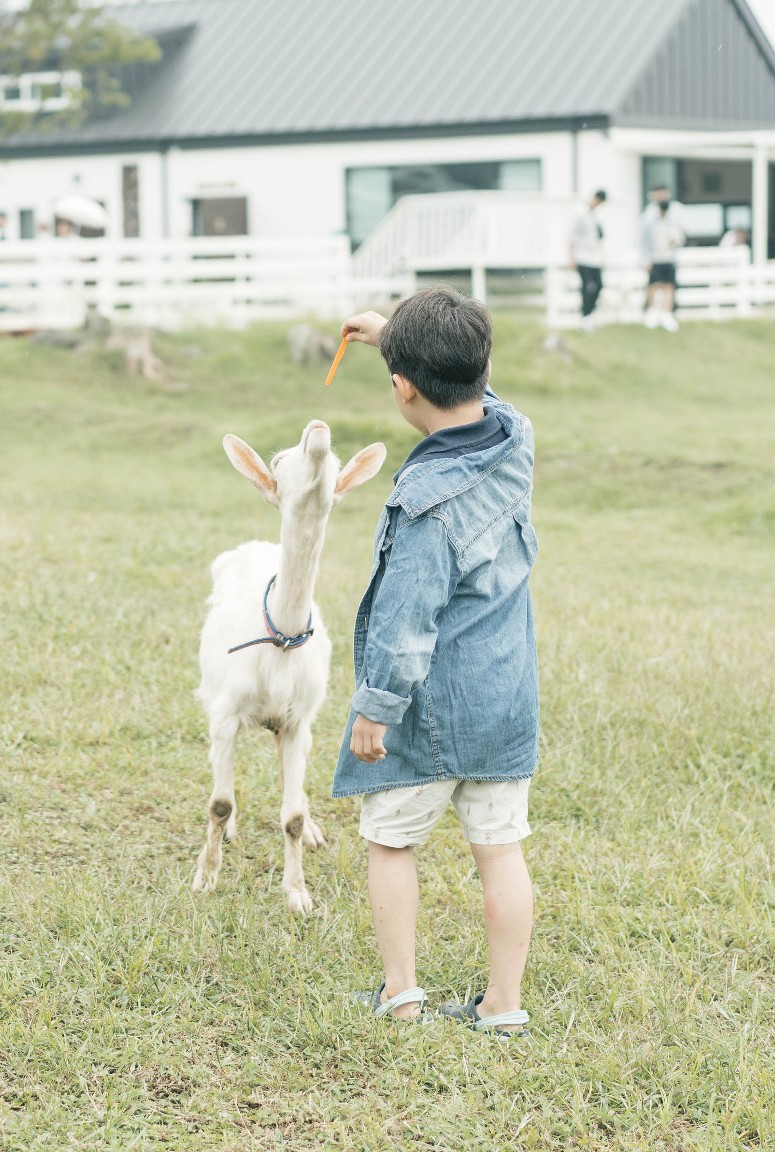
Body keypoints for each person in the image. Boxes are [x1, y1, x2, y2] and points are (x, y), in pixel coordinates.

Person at [334, 287, 539, 1037]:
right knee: (500, 851)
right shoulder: (515, 440)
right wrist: (399, 338)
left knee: (392, 843)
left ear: (403, 389)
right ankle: (503, 1005)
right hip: (506, 699)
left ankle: (403, 992)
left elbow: (405, 619)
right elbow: (483, 395)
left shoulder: (422, 501)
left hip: (425, 714)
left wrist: (374, 707)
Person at [638, 184, 685, 331]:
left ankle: (666, 313)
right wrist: (644, 259)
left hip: (669, 257)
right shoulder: (649, 217)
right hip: (655, 257)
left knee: (669, 285)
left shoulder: (673, 217)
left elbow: (680, 237)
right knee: (654, 285)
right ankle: (651, 312)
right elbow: (643, 240)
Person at [567, 189, 607, 332]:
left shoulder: (595, 216)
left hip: (595, 258)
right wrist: (571, 258)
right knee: (588, 287)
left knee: (599, 285)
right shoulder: (580, 213)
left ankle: (589, 314)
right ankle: (585, 316)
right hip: (582, 257)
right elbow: (571, 236)